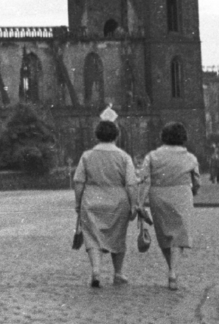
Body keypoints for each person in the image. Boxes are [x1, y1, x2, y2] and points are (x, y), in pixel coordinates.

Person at [71, 118, 139, 288]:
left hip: (92, 200)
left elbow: (79, 182)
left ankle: (96, 270)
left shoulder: (87, 156)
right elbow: (131, 183)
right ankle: (118, 273)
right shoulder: (124, 157)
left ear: (97, 135)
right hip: (117, 202)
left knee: (92, 238)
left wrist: (78, 203)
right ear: (116, 135)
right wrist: (133, 204)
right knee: (117, 236)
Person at [137, 121, 200, 291]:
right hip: (181, 194)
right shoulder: (190, 157)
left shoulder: (152, 156)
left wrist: (140, 202)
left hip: (158, 195)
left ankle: (171, 268)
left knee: (164, 234)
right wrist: (193, 191)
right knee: (179, 234)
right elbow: (197, 181)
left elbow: (144, 179)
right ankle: (173, 270)